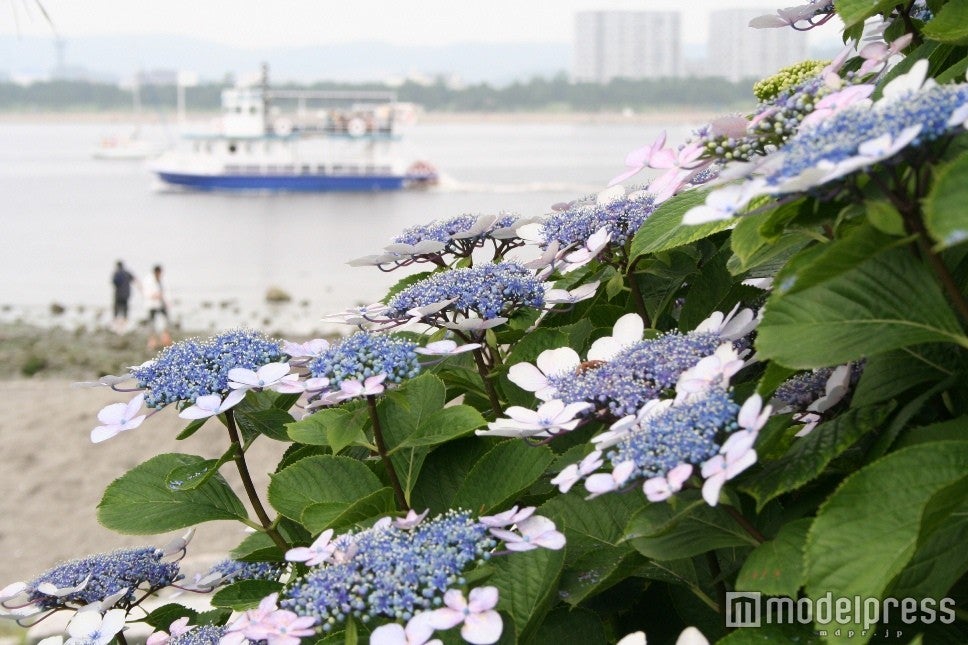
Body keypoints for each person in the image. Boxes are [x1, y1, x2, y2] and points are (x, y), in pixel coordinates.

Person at [144, 264, 172, 350]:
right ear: (156, 272)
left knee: (165, 321)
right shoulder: (148, 280)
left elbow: (165, 291)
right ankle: (152, 342)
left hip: (161, 304)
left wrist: (168, 301)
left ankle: (165, 339)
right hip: (152, 305)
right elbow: (146, 293)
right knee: (152, 323)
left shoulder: (161, 280)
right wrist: (155, 295)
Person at [111, 261, 136, 333]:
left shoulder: (116, 273)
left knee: (116, 311)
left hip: (118, 295)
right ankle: (124, 328)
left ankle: (117, 328)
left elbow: (114, 282)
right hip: (126, 295)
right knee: (125, 312)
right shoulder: (127, 273)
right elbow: (134, 279)